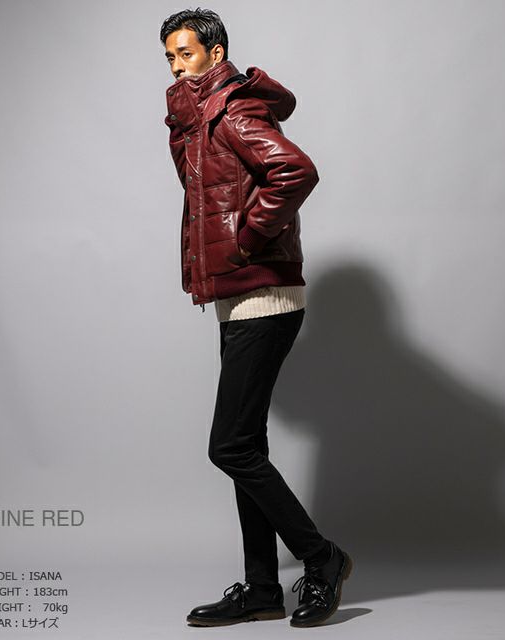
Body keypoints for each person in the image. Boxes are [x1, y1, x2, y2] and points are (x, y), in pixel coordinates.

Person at [160, 7, 353, 629]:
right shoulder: (197, 117)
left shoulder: (233, 109)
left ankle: (322, 558)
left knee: (230, 447)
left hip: (263, 293)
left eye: (186, 53)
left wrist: (247, 239)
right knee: (248, 444)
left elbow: (295, 171)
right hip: (238, 296)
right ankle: (263, 589)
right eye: (170, 57)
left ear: (215, 54)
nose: (176, 66)